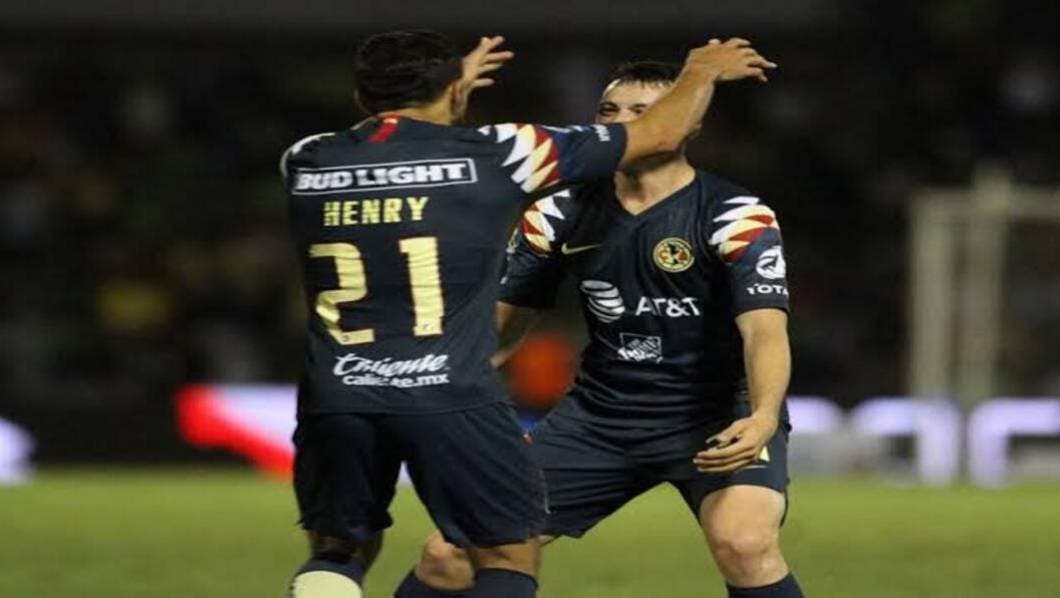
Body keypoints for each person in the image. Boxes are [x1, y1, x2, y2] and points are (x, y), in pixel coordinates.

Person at [280, 30, 775, 598]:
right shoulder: (502, 152)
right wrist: (701, 70)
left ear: (358, 95)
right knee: (505, 554)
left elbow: (391, 153)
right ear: (455, 92)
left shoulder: (307, 158)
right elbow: (660, 132)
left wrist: (445, 88)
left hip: (337, 391)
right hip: (447, 388)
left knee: (338, 551)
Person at [402, 60, 802, 598]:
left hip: (717, 414)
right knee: (449, 556)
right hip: (600, 419)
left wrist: (763, 415)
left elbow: (764, 331)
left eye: (641, 111)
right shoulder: (557, 213)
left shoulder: (735, 214)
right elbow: (503, 323)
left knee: (744, 543)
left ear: (687, 122)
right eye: (609, 110)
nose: (619, 122)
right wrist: (438, 384)